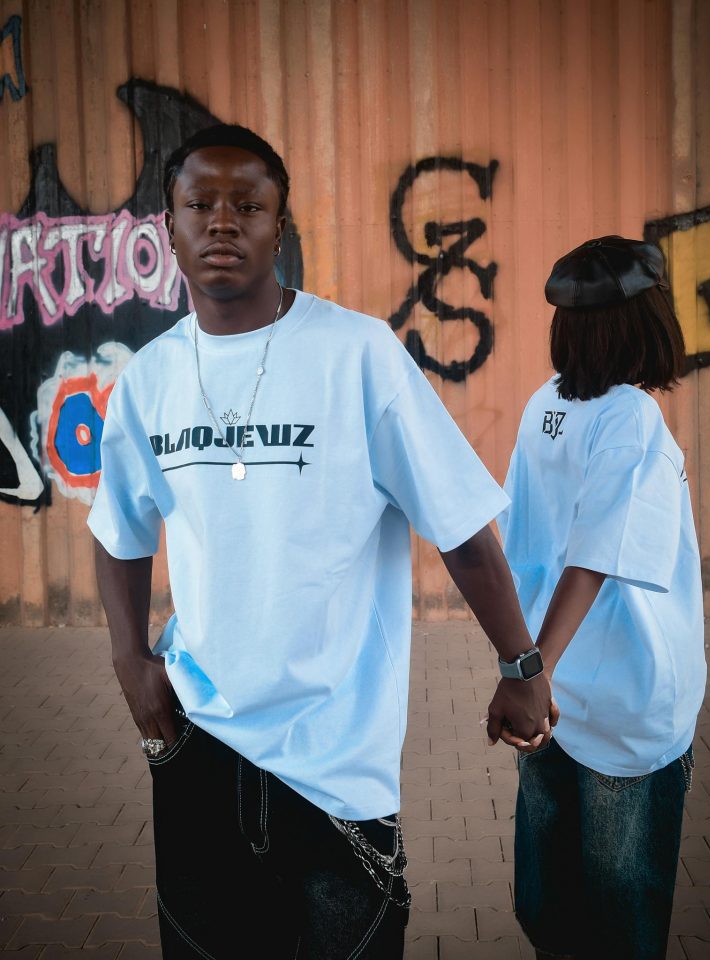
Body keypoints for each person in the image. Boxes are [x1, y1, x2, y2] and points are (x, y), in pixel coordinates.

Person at [88, 123, 553, 959]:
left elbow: (463, 532)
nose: (222, 223)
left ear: (280, 226)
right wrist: (131, 663)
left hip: (335, 760)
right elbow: (119, 530)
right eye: (200, 204)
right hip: (199, 739)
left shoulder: (357, 355)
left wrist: (521, 666)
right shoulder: (149, 379)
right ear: (169, 227)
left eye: (248, 205)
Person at [498, 236, 707, 960]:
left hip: (552, 705)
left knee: (551, 904)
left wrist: (524, 666)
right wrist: (532, 671)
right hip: (620, 703)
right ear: (645, 322)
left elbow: (513, 534)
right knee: (620, 922)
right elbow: (592, 559)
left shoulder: (543, 405)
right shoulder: (631, 418)